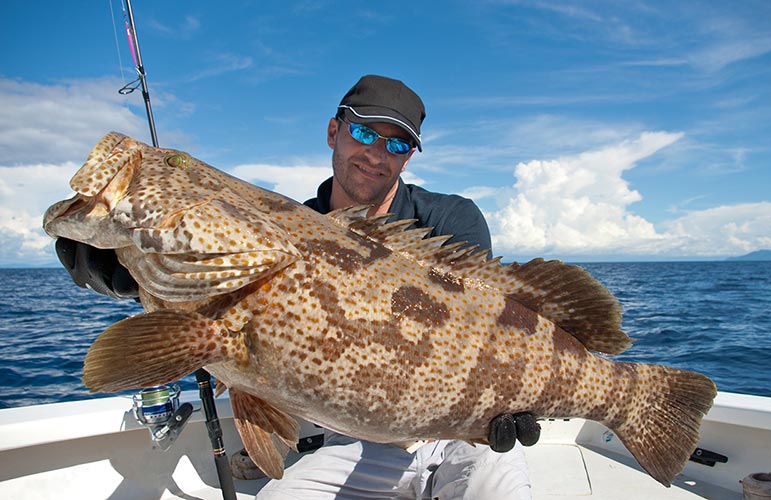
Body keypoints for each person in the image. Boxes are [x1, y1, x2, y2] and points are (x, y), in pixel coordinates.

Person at [56, 74, 539, 499]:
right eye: (365, 132)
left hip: (464, 434)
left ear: (409, 157)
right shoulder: (282, 225)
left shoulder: (449, 219)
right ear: (334, 130)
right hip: (354, 443)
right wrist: (115, 259)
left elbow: (491, 322)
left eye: (396, 144)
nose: (376, 153)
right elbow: (166, 280)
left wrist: (514, 401)